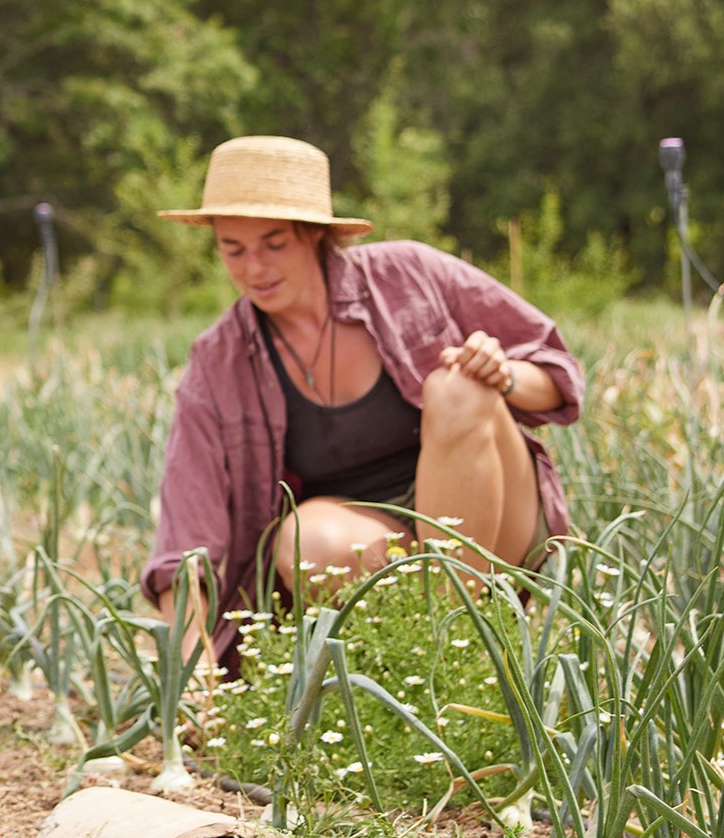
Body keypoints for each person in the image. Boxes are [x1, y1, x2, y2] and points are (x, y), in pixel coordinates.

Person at [144, 136, 581, 659]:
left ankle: (450, 643)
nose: (254, 267)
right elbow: (185, 535)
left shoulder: (412, 274)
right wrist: (190, 671)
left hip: (495, 521)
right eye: (232, 248)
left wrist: (502, 373)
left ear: (315, 236)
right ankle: (434, 650)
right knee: (301, 536)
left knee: (459, 385)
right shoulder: (219, 361)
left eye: (274, 243)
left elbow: (558, 374)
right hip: (377, 551)